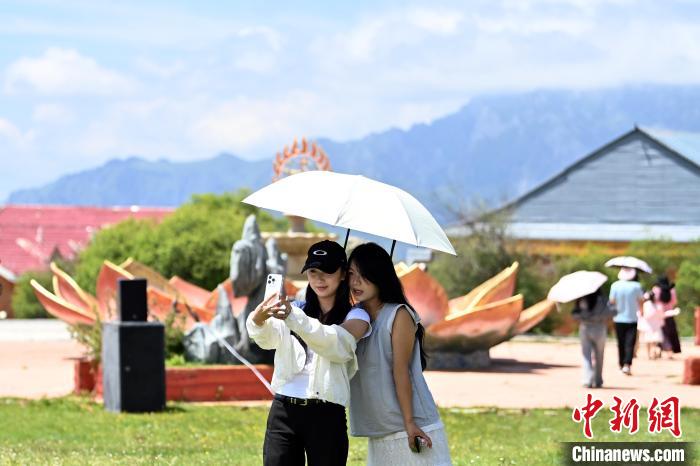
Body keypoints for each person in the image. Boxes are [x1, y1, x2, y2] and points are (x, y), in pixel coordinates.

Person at [246, 240, 371, 466]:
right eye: (313, 272)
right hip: (283, 409)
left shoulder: (357, 316)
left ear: (343, 274)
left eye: (327, 271)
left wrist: (294, 318)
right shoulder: (296, 308)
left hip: (327, 413)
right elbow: (268, 340)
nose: (319, 279)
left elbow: (336, 345)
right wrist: (258, 320)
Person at [347, 242, 452, 466]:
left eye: (363, 275)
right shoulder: (355, 316)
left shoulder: (398, 314)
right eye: (351, 274)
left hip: (410, 426)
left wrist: (410, 423)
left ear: (379, 276)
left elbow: (400, 370)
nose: (355, 282)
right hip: (380, 427)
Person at [572, 290, 615, 388]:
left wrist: (584, 316)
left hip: (585, 327)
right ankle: (598, 380)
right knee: (599, 355)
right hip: (600, 328)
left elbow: (575, 314)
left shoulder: (582, 299)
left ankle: (587, 379)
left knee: (586, 354)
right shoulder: (603, 300)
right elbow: (612, 312)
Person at [609, 266, 644, 375]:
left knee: (621, 342)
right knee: (630, 343)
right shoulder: (636, 286)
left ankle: (621, 364)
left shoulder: (615, 285)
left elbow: (612, 301)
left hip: (618, 318)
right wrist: (642, 311)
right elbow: (641, 301)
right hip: (632, 318)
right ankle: (627, 365)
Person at [653, 276, 682, 358]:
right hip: (670, 314)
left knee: (660, 333)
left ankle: (660, 350)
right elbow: (675, 302)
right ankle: (670, 351)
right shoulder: (672, 290)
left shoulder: (656, 290)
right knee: (671, 333)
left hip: (659, 315)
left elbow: (653, 301)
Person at [637, 292, 665, 360]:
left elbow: (641, 314)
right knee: (654, 341)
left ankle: (649, 354)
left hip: (648, 326)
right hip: (655, 326)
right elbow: (661, 315)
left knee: (648, 341)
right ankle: (653, 353)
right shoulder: (658, 305)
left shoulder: (645, 305)